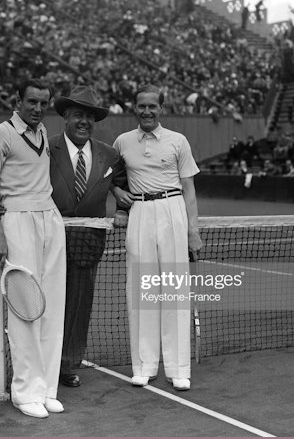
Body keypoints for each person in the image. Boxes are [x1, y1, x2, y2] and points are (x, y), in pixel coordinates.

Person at [0, 78, 66, 419]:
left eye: (44, 103)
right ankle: (24, 391)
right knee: (26, 308)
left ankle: (47, 389)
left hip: (50, 220)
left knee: (53, 307)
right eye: (32, 102)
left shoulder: (43, 134)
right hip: (18, 222)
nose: (38, 108)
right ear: (18, 100)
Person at [111, 84, 202, 392]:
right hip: (139, 212)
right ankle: (144, 366)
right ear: (134, 108)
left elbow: (189, 191)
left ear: (161, 108)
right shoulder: (122, 142)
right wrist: (117, 194)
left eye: (153, 106)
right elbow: (112, 179)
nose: (147, 111)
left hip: (172, 209)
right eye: (141, 106)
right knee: (141, 289)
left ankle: (178, 369)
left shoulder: (179, 141)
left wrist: (193, 231)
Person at [48, 86, 128, 388]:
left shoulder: (109, 154)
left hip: (88, 243)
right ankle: (42, 362)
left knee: (79, 307)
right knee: (46, 305)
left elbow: (124, 184)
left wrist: (121, 207)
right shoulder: (46, 147)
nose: (84, 121)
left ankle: (67, 364)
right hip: (49, 241)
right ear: (66, 117)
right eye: (78, 115)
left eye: (89, 117)